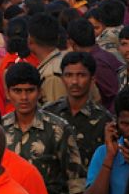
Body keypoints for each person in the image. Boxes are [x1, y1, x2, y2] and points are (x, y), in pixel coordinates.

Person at [2, 62, 82, 194]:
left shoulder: (58, 128)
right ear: (8, 93)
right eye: (17, 91)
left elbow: (76, 181)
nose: (24, 97)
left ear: (39, 92)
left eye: (30, 90)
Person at [43, 52, 112, 182]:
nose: (74, 81)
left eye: (81, 75)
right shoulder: (48, 113)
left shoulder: (104, 120)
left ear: (92, 79)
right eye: (69, 75)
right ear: (62, 78)